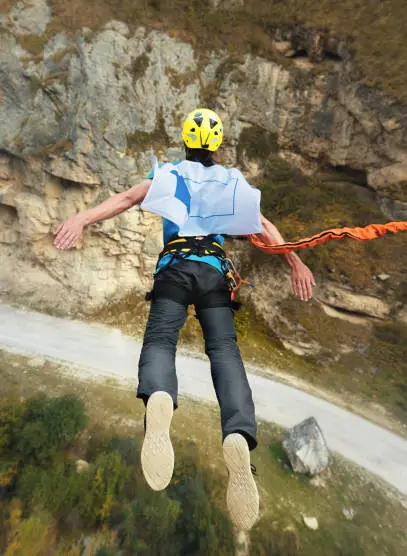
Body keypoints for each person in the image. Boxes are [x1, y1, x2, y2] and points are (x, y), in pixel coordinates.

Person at [54, 108, 316, 531]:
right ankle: (237, 433)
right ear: (217, 145)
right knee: (225, 353)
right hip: (214, 273)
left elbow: (125, 199)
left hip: (174, 268)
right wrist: (295, 263)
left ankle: (159, 397)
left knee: (161, 341)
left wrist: (80, 220)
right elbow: (265, 226)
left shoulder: (170, 175)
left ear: (185, 140)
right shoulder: (232, 181)